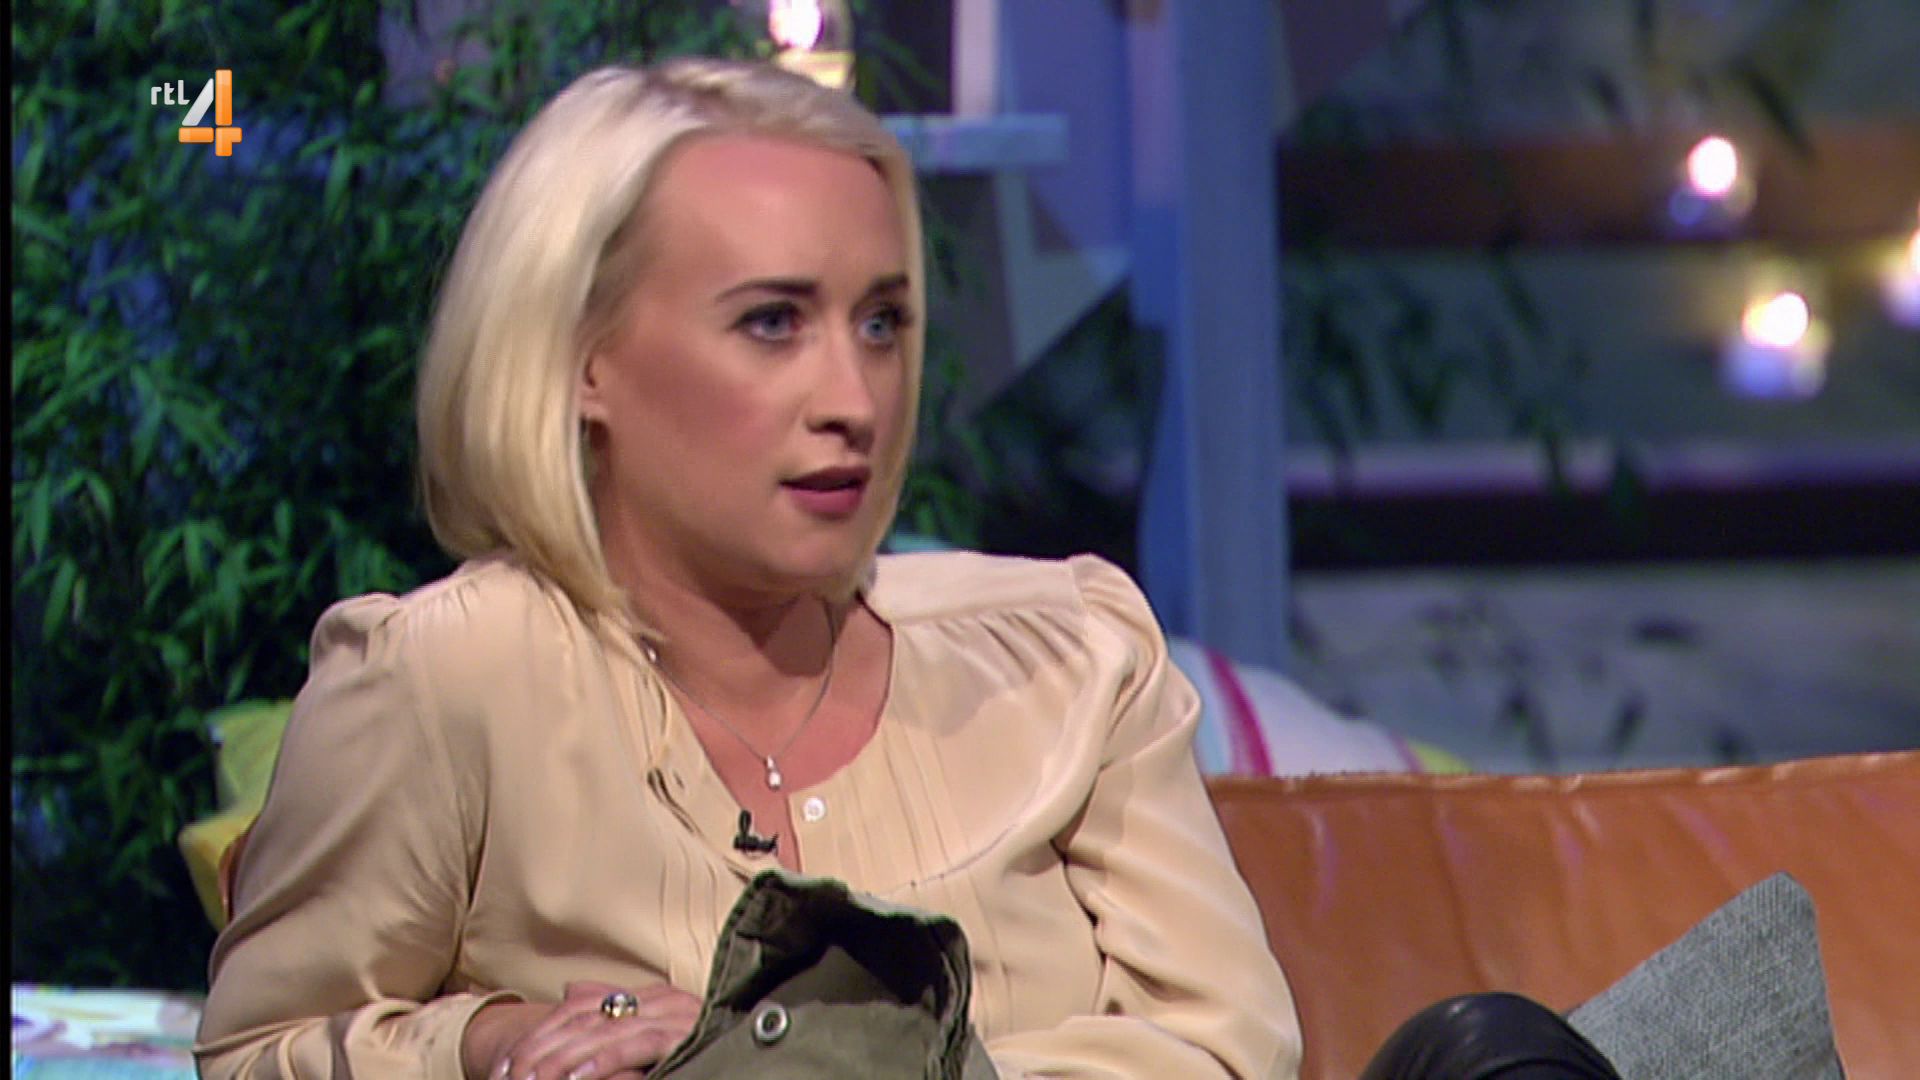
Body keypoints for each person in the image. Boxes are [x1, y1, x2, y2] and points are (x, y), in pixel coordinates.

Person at [195, 57, 1304, 1080]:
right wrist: (486, 1041)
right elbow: (254, 1054)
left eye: (882, 324)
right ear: (581, 358)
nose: (855, 400)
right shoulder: (448, 682)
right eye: (773, 322)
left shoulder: (1070, 659)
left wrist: (823, 1063)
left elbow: (1231, 1054)